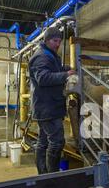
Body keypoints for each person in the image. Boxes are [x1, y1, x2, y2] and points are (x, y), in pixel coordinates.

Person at [29, 27, 75, 174]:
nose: (58, 44)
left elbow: (52, 70)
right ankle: (52, 175)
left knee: (43, 142)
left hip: (48, 106)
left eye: (60, 41)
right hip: (47, 108)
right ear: (47, 40)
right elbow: (43, 78)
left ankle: (44, 174)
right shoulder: (41, 56)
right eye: (55, 41)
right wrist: (65, 75)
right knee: (57, 142)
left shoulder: (50, 55)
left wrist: (65, 68)